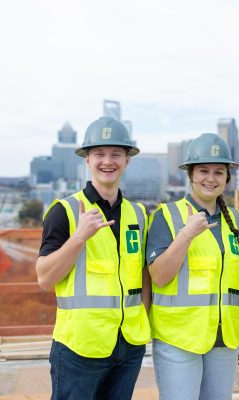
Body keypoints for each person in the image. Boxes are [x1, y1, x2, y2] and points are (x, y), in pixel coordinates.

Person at [36, 117, 150, 400]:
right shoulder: (64, 211)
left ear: (127, 160)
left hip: (129, 344)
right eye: (99, 154)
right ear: (87, 159)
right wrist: (79, 237)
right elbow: (44, 278)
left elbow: (143, 275)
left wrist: (143, 322)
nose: (107, 161)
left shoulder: (138, 214)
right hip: (80, 347)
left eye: (115, 154)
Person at [146, 133, 239, 400]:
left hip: (224, 339)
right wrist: (186, 235)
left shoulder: (235, 220)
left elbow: (236, 284)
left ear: (227, 178)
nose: (210, 178)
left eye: (219, 172)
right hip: (179, 339)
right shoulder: (167, 216)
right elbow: (158, 276)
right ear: (190, 175)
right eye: (203, 171)